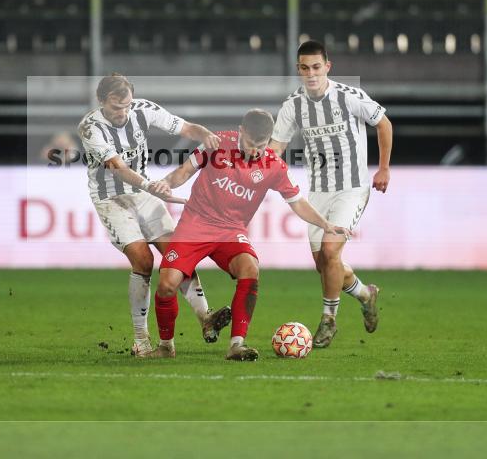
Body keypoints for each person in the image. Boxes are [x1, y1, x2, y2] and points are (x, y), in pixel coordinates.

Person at [138, 109, 351, 361]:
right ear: (241, 131)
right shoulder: (216, 143)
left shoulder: (274, 166)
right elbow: (183, 171)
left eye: (261, 146)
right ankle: (165, 347)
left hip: (231, 230)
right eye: (251, 144)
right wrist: (166, 182)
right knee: (166, 286)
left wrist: (325, 224)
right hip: (195, 224)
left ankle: (236, 345)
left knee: (250, 269)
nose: (255, 151)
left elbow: (297, 202)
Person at [78, 74, 232, 355]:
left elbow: (185, 128)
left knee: (177, 254)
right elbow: (117, 167)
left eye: (126, 106)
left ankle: (206, 318)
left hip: (144, 195)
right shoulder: (90, 127)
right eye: (115, 108)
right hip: (111, 199)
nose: (122, 114)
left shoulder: (143, 110)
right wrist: (152, 186)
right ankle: (141, 340)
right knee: (144, 259)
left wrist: (207, 135)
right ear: (101, 101)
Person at [268, 40, 393, 348]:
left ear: (327, 66)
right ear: (298, 69)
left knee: (330, 252)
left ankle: (328, 320)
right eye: (304, 68)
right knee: (326, 265)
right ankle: (366, 294)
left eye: (316, 67)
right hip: (318, 194)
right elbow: (276, 150)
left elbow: (384, 123)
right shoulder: (292, 106)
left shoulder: (349, 97)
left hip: (351, 189)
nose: (311, 74)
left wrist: (384, 169)